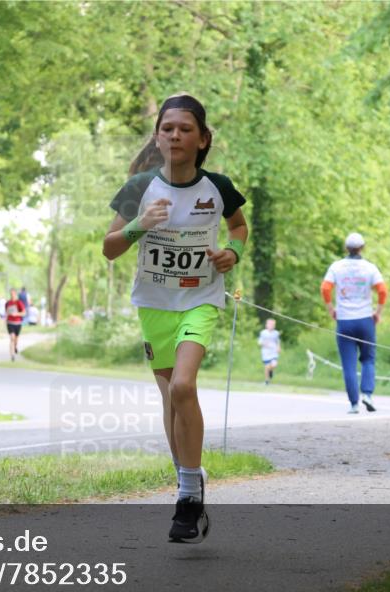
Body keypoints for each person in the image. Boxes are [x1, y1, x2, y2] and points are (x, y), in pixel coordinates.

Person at [103, 93, 248, 544]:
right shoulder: (138, 189)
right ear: (157, 136)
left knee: (184, 385)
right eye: (168, 128)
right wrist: (139, 224)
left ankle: (187, 496)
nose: (176, 135)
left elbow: (238, 227)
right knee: (170, 398)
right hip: (154, 305)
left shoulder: (217, 187)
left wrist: (232, 253)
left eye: (186, 129)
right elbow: (109, 248)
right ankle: (190, 480)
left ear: (203, 139)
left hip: (200, 299)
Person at [321, 232, 388, 414]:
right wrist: (378, 313)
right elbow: (382, 290)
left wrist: (330, 309)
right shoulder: (370, 268)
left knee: (349, 364)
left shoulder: (337, 267)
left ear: (346, 248)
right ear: (362, 248)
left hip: (344, 320)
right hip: (365, 319)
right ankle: (368, 394)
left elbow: (325, 288)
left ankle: (354, 404)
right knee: (368, 359)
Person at [4, 288, 26, 361]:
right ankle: (12, 355)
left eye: (13, 294)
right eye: (11, 294)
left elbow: (24, 313)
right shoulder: (7, 303)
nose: (12, 295)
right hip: (10, 323)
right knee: (12, 338)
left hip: (18, 323)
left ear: (15, 294)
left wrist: (16, 314)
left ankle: (15, 346)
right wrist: (5, 320)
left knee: (16, 339)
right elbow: (6, 312)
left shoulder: (19, 303)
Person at [258, 318, 281, 385]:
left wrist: (279, 348)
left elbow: (278, 342)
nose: (271, 326)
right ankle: (267, 380)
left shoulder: (276, 333)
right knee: (266, 367)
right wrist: (264, 343)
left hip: (273, 352)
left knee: (274, 364)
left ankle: (271, 371)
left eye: (273, 324)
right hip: (266, 353)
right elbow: (259, 342)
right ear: (266, 325)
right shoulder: (263, 333)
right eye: (270, 324)